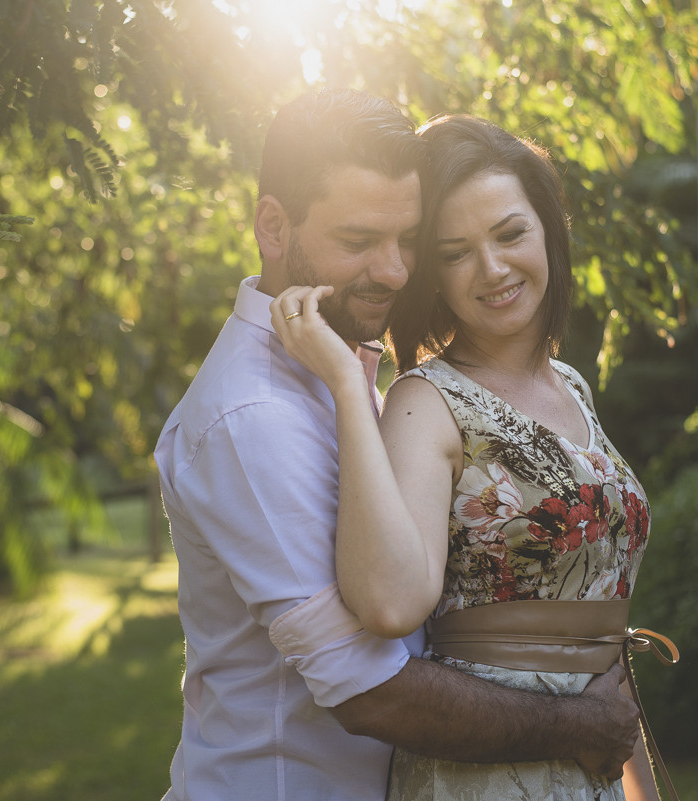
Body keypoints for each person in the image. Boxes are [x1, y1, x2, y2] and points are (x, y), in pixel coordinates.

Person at [155, 91, 642, 801]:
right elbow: (370, 691)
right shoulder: (252, 417)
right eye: (358, 241)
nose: (392, 271)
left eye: (407, 240)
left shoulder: (336, 365)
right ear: (272, 224)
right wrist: (580, 726)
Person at [270, 114, 674, 801]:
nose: (493, 269)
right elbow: (391, 601)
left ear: (549, 231)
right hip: (484, 770)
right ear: (434, 273)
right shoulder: (426, 400)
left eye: (511, 234)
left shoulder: (570, 384)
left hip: (594, 765)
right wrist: (346, 381)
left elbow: (598, 628)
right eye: (455, 252)